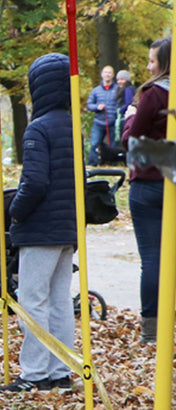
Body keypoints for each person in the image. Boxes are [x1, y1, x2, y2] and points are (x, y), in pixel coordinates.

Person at [0, 53, 76, 393]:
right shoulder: (73, 127)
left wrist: (14, 211)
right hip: (68, 228)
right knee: (60, 301)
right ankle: (62, 371)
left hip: (40, 228)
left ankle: (33, 374)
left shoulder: (38, 128)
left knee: (33, 301)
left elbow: (35, 183)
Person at [121, 36, 171, 345]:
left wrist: (128, 119)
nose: (148, 66)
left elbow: (131, 140)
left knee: (152, 258)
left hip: (150, 182)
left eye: (152, 61)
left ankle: (152, 330)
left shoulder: (153, 94)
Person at [86, 65, 119, 166]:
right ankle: (92, 164)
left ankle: (112, 164)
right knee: (94, 144)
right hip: (99, 122)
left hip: (112, 122)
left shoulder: (118, 89)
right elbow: (89, 104)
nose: (107, 74)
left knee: (113, 146)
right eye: (105, 72)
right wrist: (97, 107)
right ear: (102, 74)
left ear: (113, 75)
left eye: (109, 73)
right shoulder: (96, 90)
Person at [115, 70, 135, 143]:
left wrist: (120, 110)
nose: (120, 81)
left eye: (122, 79)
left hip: (124, 119)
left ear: (127, 80)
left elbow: (129, 103)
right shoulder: (123, 89)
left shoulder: (128, 90)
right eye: (118, 80)